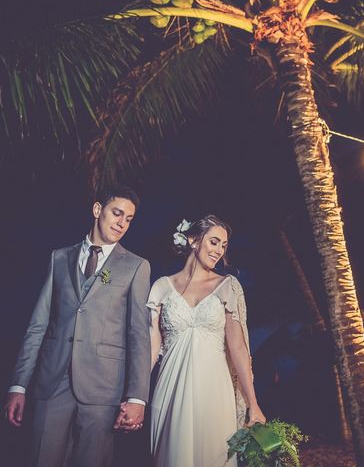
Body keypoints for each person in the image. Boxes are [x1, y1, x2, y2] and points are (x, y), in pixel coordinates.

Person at [3, 186, 152, 467]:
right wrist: (18, 385)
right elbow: (38, 325)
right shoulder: (59, 258)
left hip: (102, 388)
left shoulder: (135, 266)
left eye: (129, 219)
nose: (122, 223)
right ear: (98, 210)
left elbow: (138, 335)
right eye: (117, 213)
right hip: (52, 382)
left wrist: (137, 397)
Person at [145, 214, 266, 467]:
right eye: (214, 242)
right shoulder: (161, 287)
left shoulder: (227, 286)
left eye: (224, 246)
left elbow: (238, 348)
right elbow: (151, 348)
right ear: (193, 240)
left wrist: (253, 404)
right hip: (170, 388)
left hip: (214, 391)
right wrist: (134, 394)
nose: (219, 251)